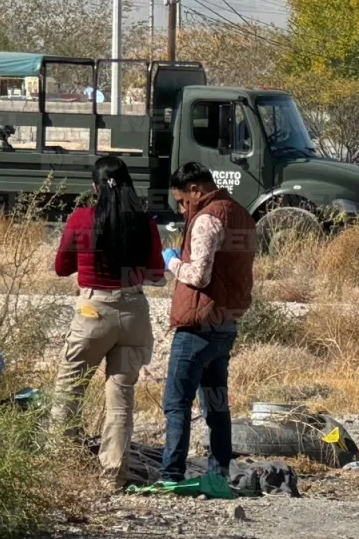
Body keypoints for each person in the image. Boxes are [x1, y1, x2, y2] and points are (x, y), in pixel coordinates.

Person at [51, 156, 166, 490]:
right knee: (121, 397)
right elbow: (156, 273)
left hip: (93, 310)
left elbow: (61, 267)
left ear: (95, 187)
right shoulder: (144, 222)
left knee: (69, 388)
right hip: (133, 312)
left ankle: (62, 468)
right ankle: (113, 477)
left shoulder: (82, 218)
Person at [158, 162, 257, 485]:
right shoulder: (241, 213)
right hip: (225, 325)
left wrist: (172, 261)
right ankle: (219, 472)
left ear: (196, 190)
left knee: (177, 403)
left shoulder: (207, 218)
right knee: (216, 403)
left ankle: (171, 473)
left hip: (198, 326)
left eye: (183, 201)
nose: (183, 209)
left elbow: (199, 275)